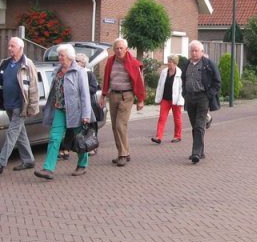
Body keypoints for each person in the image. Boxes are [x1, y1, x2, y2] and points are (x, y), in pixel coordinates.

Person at [34, 44, 94, 180]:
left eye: (62, 55)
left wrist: (86, 115)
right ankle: (48, 169)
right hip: (60, 110)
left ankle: (82, 165)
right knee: (54, 138)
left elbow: (85, 94)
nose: (59, 57)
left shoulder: (79, 72)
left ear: (69, 57)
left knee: (80, 139)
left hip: (76, 111)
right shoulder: (57, 71)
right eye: (59, 55)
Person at [0, 37, 40, 174]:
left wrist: (32, 107)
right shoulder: (4, 64)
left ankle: (0, 163)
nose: (9, 48)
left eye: (12, 46)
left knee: (12, 133)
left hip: (20, 106)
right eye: (9, 45)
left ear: (20, 48)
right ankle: (28, 160)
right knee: (20, 134)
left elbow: (34, 87)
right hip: (8, 105)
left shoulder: (28, 64)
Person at [99, 38, 145, 167]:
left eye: (121, 48)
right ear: (114, 50)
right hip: (113, 94)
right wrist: (103, 96)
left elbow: (139, 82)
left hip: (127, 95)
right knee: (114, 126)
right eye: (117, 48)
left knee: (120, 124)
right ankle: (124, 151)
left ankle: (122, 155)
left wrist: (140, 100)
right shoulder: (110, 61)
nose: (119, 51)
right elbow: (106, 78)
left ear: (126, 49)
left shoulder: (133, 63)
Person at [181, 40, 221, 164]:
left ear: (202, 52)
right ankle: (200, 151)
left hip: (203, 97)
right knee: (194, 126)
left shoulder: (208, 64)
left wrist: (209, 94)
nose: (194, 53)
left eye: (196, 51)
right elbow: (183, 79)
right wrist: (184, 93)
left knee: (199, 125)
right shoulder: (187, 64)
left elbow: (217, 82)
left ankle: (196, 153)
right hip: (190, 97)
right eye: (192, 51)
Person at [153, 55, 184, 144]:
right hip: (165, 99)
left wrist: (180, 101)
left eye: (170, 62)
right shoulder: (164, 72)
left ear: (175, 63)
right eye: (168, 61)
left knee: (177, 118)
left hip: (176, 100)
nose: (168, 63)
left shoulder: (180, 73)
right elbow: (160, 85)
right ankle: (158, 137)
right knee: (162, 118)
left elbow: (181, 88)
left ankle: (177, 136)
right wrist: (158, 98)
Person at [75, 53, 102, 156]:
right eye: (75, 61)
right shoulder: (74, 73)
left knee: (90, 127)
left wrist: (83, 88)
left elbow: (94, 88)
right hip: (77, 105)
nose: (75, 63)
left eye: (77, 61)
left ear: (83, 63)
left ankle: (92, 146)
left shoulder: (89, 74)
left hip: (89, 104)